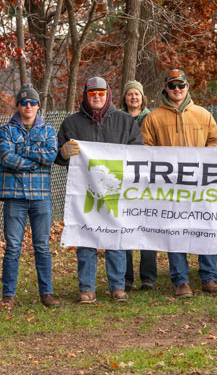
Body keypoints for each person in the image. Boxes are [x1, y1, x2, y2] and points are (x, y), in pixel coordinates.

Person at [56, 77, 143, 303]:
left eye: (101, 92)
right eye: (92, 92)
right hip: (85, 192)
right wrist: (64, 153)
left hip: (117, 191)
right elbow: (57, 156)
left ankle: (117, 287)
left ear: (108, 95)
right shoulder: (71, 123)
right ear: (85, 95)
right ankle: (87, 288)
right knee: (86, 238)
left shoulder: (124, 121)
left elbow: (138, 152)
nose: (97, 96)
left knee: (115, 238)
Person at [141, 69, 217, 297]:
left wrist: (205, 159)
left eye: (181, 85)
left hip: (200, 186)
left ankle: (208, 279)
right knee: (175, 230)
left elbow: (216, 139)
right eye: (172, 86)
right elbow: (145, 149)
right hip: (170, 187)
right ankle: (181, 281)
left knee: (204, 228)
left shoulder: (203, 114)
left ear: (188, 87)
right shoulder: (154, 117)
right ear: (165, 89)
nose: (177, 90)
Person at [0, 84, 60, 309]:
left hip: (41, 196)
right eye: (24, 102)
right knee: (13, 246)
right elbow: (7, 157)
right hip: (14, 196)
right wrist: (35, 160)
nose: (28, 106)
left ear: (38, 105)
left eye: (32, 102)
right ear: (18, 105)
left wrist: (22, 150)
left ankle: (47, 293)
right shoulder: (6, 130)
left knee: (42, 245)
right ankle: (8, 295)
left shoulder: (48, 130)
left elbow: (51, 155)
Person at [121, 80, 157, 291]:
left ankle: (148, 277)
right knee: (125, 228)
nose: (133, 97)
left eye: (137, 94)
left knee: (148, 227)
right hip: (125, 181)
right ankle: (125, 277)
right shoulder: (116, 118)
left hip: (149, 181)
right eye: (130, 94)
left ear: (142, 97)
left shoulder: (152, 117)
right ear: (124, 98)